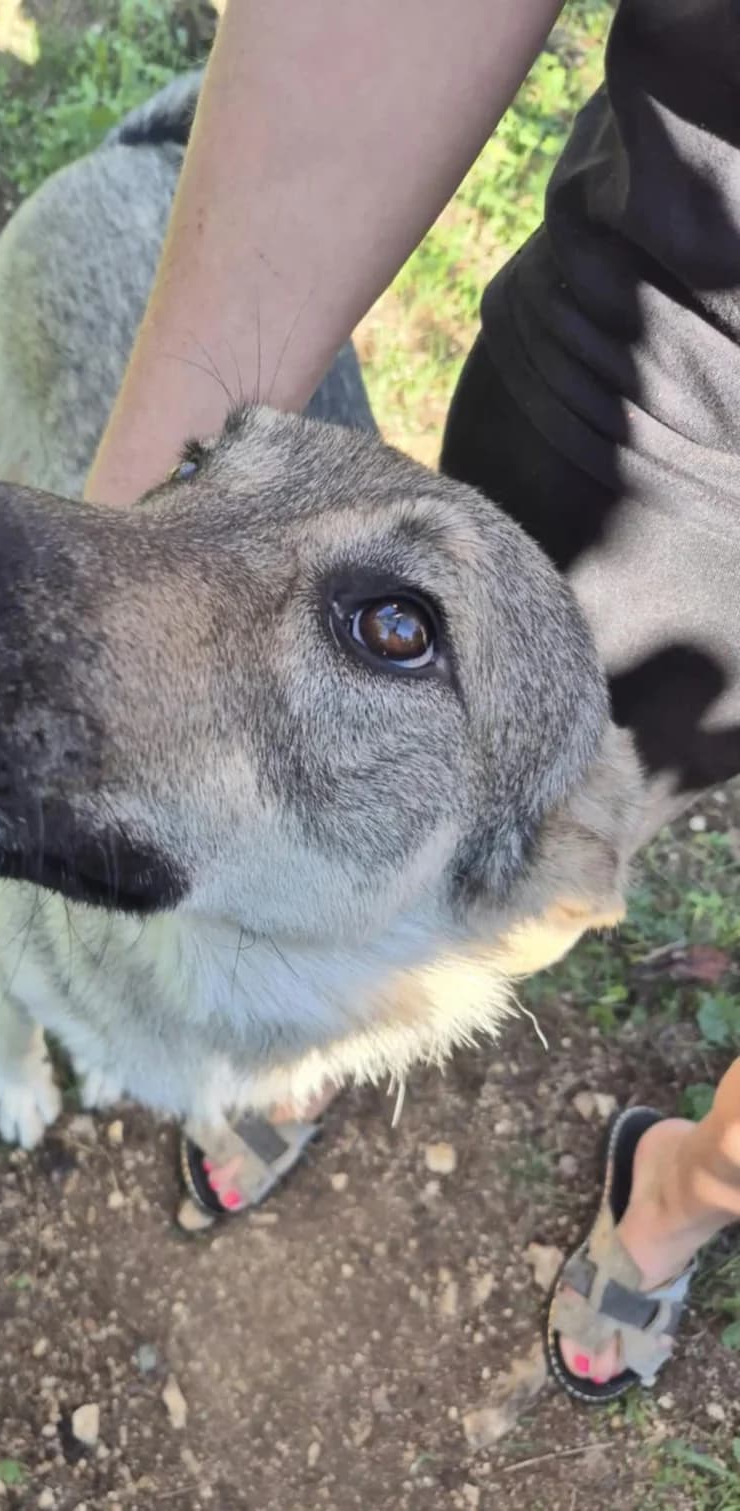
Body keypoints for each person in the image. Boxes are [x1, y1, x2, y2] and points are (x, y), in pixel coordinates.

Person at [82, 0, 740, 1403]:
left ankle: (689, 1190)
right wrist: (120, 543)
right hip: (687, 412)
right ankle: (317, 1035)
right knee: (504, 850)